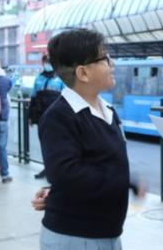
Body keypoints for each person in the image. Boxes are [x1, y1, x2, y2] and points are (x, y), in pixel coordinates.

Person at [33, 29, 144, 250]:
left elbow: (100, 164)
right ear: (83, 73)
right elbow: (67, 174)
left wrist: (129, 182)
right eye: (105, 58)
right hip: (76, 236)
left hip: (106, 234)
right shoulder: (59, 117)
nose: (112, 65)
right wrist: (125, 181)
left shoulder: (108, 110)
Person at [30, 54, 64, 179]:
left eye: (50, 61)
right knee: (44, 144)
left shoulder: (60, 79)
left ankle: (56, 171)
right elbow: (33, 98)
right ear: (43, 63)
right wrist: (30, 116)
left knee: (56, 145)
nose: (47, 64)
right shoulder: (39, 78)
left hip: (56, 117)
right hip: (41, 116)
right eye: (46, 61)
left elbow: (66, 98)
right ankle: (47, 169)